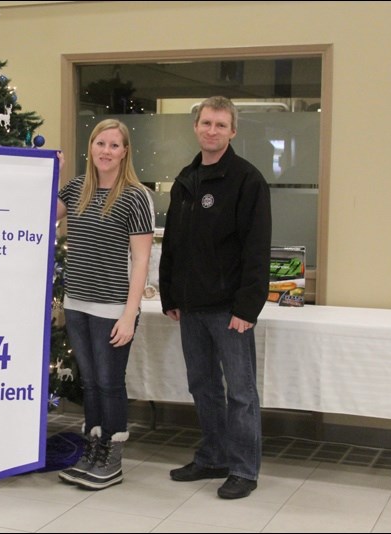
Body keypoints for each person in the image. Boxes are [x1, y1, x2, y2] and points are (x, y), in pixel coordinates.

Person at [158, 96, 272, 499]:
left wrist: (247, 308)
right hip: (189, 307)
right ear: (196, 127)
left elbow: (256, 250)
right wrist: (170, 292)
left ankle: (243, 469)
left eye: (220, 125)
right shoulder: (187, 179)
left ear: (232, 131)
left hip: (229, 310)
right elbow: (173, 243)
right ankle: (213, 457)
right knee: (202, 386)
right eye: (206, 123)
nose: (212, 130)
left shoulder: (247, 180)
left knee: (241, 393)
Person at [55, 119, 154, 490]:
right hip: (78, 302)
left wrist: (130, 314)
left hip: (113, 307)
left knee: (111, 383)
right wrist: (55, 172)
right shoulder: (77, 187)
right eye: (100, 143)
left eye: (115, 145)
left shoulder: (135, 195)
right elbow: (43, 214)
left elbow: (142, 259)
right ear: (91, 147)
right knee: (91, 382)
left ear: (125, 151)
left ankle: (112, 456)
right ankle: (93, 448)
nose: (106, 151)